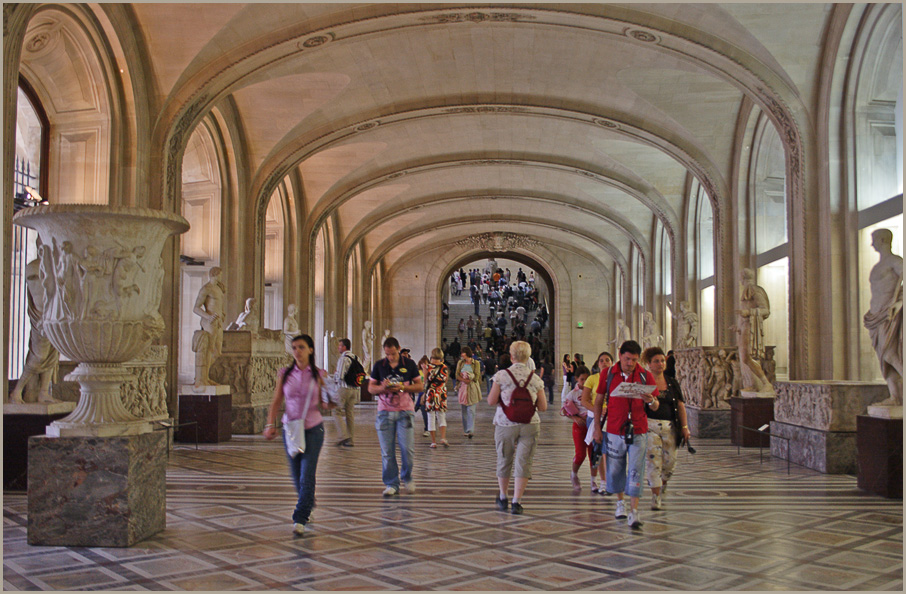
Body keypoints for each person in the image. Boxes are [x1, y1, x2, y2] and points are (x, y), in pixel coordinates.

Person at [264, 334, 334, 535]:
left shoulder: (319, 374)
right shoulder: (285, 373)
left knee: (307, 472)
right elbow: (277, 400)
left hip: (313, 428)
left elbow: (327, 401)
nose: (297, 351)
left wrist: (330, 401)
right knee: (296, 474)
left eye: (301, 347)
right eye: (294, 347)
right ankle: (308, 501)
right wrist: (270, 424)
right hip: (291, 429)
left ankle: (300, 517)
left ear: (311, 350)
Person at [592, 340, 659, 529]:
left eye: (634, 360)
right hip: (614, 429)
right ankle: (620, 503)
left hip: (638, 429)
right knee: (615, 467)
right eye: (627, 359)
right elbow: (598, 402)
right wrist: (597, 427)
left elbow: (655, 406)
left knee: (636, 468)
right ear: (620, 355)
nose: (630, 363)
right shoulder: (607, 374)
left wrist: (651, 400)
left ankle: (634, 511)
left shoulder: (645, 375)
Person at [488, 340, 547, 514]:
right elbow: (543, 407)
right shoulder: (535, 378)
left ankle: (503, 496)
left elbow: (491, 401)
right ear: (528, 357)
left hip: (505, 423)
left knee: (504, 458)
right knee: (524, 461)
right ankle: (517, 502)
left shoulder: (501, 376)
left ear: (511, 356)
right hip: (530, 424)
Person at [368, 336, 424, 496]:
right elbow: (371, 388)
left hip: (405, 411)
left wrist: (403, 388)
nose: (391, 357)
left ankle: (407, 476)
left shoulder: (410, 364)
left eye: (393, 353)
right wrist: (382, 387)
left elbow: (420, 386)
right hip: (384, 412)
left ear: (399, 349)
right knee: (387, 451)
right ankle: (391, 483)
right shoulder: (379, 365)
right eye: (388, 354)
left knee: (407, 449)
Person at [641, 347, 690, 511]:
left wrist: (685, 427)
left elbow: (680, 405)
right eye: (656, 361)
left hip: (670, 427)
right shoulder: (644, 382)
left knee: (669, 463)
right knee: (654, 461)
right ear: (649, 364)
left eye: (662, 360)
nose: (660, 364)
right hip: (650, 426)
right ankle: (655, 496)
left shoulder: (671, 382)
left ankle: (663, 483)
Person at [579, 351, 614, 494]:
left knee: (612, 450)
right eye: (601, 360)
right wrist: (598, 409)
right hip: (595, 418)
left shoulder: (617, 379)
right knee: (600, 449)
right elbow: (584, 400)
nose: (604, 362)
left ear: (612, 363)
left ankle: (612, 481)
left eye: (607, 360)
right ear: (598, 364)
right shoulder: (592, 379)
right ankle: (604, 482)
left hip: (612, 418)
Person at [191, 266, 225, 388]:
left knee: (217, 352)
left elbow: (220, 305)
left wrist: (223, 314)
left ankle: (204, 377)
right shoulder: (206, 289)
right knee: (209, 349)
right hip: (210, 322)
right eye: (219, 274)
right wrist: (207, 316)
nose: (221, 277)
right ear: (214, 274)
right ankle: (201, 378)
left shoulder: (218, 289)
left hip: (219, 322)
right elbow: (196, 308)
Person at [563, 366, 595, 492]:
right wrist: (575, 418)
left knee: (593, 454)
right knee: (580, 454)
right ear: (576, 379)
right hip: (580, 426)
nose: (584, 382)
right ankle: (574, 474)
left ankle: (594, 480)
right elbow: (565, 410)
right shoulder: (573, 394)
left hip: (592, 425)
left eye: (587, 379)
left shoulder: (593, 392)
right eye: (582, 379)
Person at [332, 338, 361, 447]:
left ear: (344, 347)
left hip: (343, 388)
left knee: (336, 411)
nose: (338, 348)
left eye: (340, 346)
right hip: (354, 389)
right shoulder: (356, 358)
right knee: (350, 414)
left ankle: (343, 435)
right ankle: (351, 440)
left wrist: (334, 375)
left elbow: (339, 377)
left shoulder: (343, 359)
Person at [424, 348, 450, 448]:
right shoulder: (445, 367)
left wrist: (424, 393)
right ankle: (443, 438)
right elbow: (445, 380)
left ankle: (433, 442)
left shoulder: (428, 367)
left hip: (431, 393)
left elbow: (425, 382)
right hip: (441, 392)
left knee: (431, 416)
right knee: (441, 415)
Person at [456, 347, 483, 438]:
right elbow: (457, 374)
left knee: (471, 410)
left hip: (472, 388)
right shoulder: (460, 363)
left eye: (462, 353)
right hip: (463, 388)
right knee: (464, 410)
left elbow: (476, 376)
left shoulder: (476, 363)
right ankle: (466, 429)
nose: (461, 355)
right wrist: (463, 379)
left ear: (466, 353)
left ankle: (470, 430)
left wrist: (469, 377)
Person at [415, 356, 431, 437]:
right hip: (421, 392)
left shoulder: (430, 372)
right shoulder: (418, 372)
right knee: (423, 410)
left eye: (425, 363)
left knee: (424, 410)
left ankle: (416, 406)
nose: (424, 365)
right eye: (422, 363)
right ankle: (417, 406)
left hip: (427, 393)